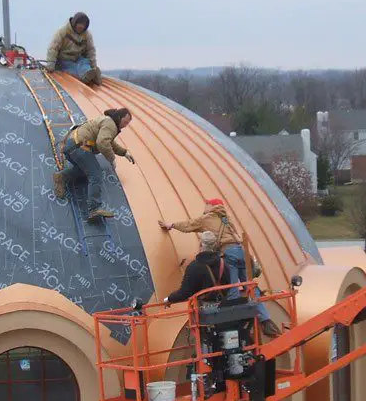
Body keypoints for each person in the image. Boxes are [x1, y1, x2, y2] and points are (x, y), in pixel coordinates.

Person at [159, 199, 280, 337]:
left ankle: (234, 326)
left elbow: (189, 225)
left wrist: (172, 225)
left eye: (206, 205)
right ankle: (265, 320)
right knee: (250, 287)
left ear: (211, 206)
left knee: (233, 289)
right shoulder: (226, 218)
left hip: (230, 253)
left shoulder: (208, 218)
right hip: (242, 251)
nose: (204, 208)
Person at [53, 108, 135, 220]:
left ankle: (61, 176)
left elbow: (109, 142)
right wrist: (112, 159)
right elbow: (102, 143)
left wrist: (124, 152)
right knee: (96, 174)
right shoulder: (110, 124)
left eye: (127, 124)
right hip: (80, 147)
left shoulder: (108, 122)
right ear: (119, 117)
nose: (125, 126)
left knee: (86, 170)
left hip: (71, 145)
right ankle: (94, 209)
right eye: (125, 122)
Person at [163, 232, 227, 305]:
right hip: (224, 307)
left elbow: (184, 293)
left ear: (200, 244)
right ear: (215, 245)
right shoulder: (224, 262)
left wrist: (169, 299)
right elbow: (229, 284)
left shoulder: (194, 267)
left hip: (205, 310)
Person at [46, 11, 101, 85]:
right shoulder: (63, 32)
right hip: (64, 59)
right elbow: (53, 48)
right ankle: (84, 77)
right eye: (80, 24)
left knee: (84, 62)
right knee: (71, 68)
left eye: (84, 25)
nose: (81, 26)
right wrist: (51, 64)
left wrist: (93, 65)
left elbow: (91, 51)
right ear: (75, 22)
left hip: (78, 58)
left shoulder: (87, 35)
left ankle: (91, 73)